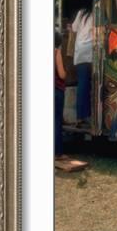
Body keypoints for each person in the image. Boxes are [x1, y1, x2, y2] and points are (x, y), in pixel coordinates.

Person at [71, 6, 93, 127]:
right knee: (86, 85)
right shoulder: (96, 13)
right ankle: (83, 116)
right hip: (89, 53)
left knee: (82, 85)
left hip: (79, 52)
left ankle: (81, 116)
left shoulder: (81, 12)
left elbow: (74, 28)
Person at [54, 30, 67, 160]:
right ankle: (58, 153)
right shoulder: (56, 52)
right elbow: (61, 73)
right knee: (57, 121)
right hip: (57, 91)